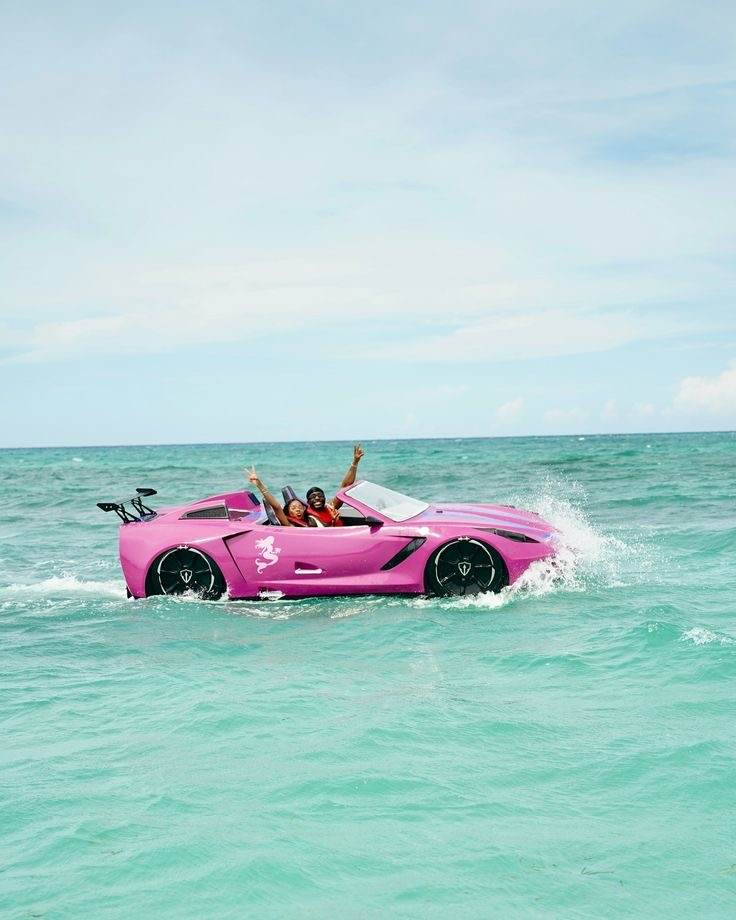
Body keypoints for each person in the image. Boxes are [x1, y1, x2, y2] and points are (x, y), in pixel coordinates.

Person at [305, 443, 364, 527]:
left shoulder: (330, 507)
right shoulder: (306, 516)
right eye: (313, 496)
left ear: (325, 498)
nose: (317, 498)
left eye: (320, 495)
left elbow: (345, 487)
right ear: (308, 502)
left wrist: (355, 462)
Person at [245, 466, 309, 527]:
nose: (298, 510)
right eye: (293, 508)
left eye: (300, 507)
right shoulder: (288, 525)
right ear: (288, 512)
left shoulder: (309, 522)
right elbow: (277, 507)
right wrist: (259, 485)